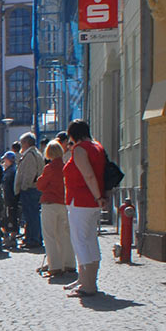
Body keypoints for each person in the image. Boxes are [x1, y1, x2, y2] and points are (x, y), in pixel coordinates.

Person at [63, 119, 106, 297]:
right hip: (92, 201)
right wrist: (100, 197)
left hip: (81, 200)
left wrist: (98, 196)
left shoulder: (80, 150)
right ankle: (87, 279)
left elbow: (88, 175)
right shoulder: (97, 147)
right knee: (90, 240)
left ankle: (88, 285)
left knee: (80, 241)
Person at [34, 139, 74, 279]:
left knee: (50, 236)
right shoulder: (66, 166)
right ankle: (69, 263)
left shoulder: (49, 168)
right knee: (64, 235)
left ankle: (55, 266)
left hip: (50, 203)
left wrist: (39, 179)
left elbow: (40, 185)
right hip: (64, 203)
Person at [14, 132, 44, 251]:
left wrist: (24, 187)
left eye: (22, 143)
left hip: (30, 189)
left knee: (31, 215)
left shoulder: (30, 155)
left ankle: (33, 239)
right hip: (33, 188)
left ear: (26, 143)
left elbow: (29, 173)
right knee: (32, 215)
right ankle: (32, 237)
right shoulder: (35, 153)